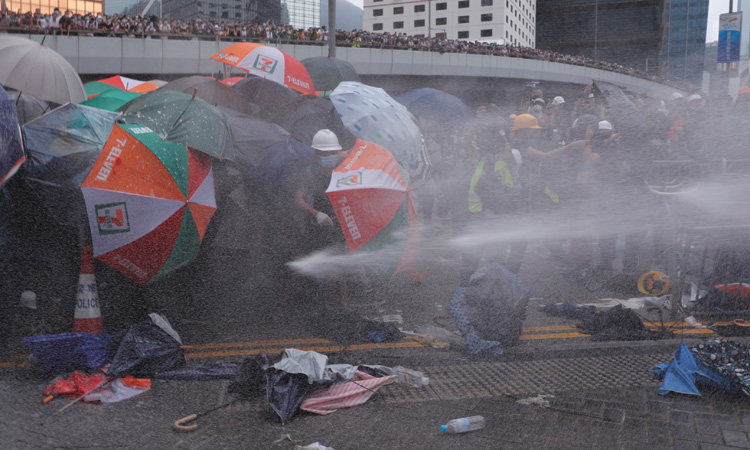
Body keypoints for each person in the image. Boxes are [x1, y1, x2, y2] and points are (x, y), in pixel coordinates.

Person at [283, 129, 350, 311]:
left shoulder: (344, 171)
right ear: (317, 155)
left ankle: (344, 308)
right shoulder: (310, 173)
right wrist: (317, 214)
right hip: (314, 228)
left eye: (332, 153)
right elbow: (298, 199)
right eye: (325, 154)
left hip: (336, 229)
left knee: (337, 272)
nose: (329, 157)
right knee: (301, 269)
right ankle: (283, 307)